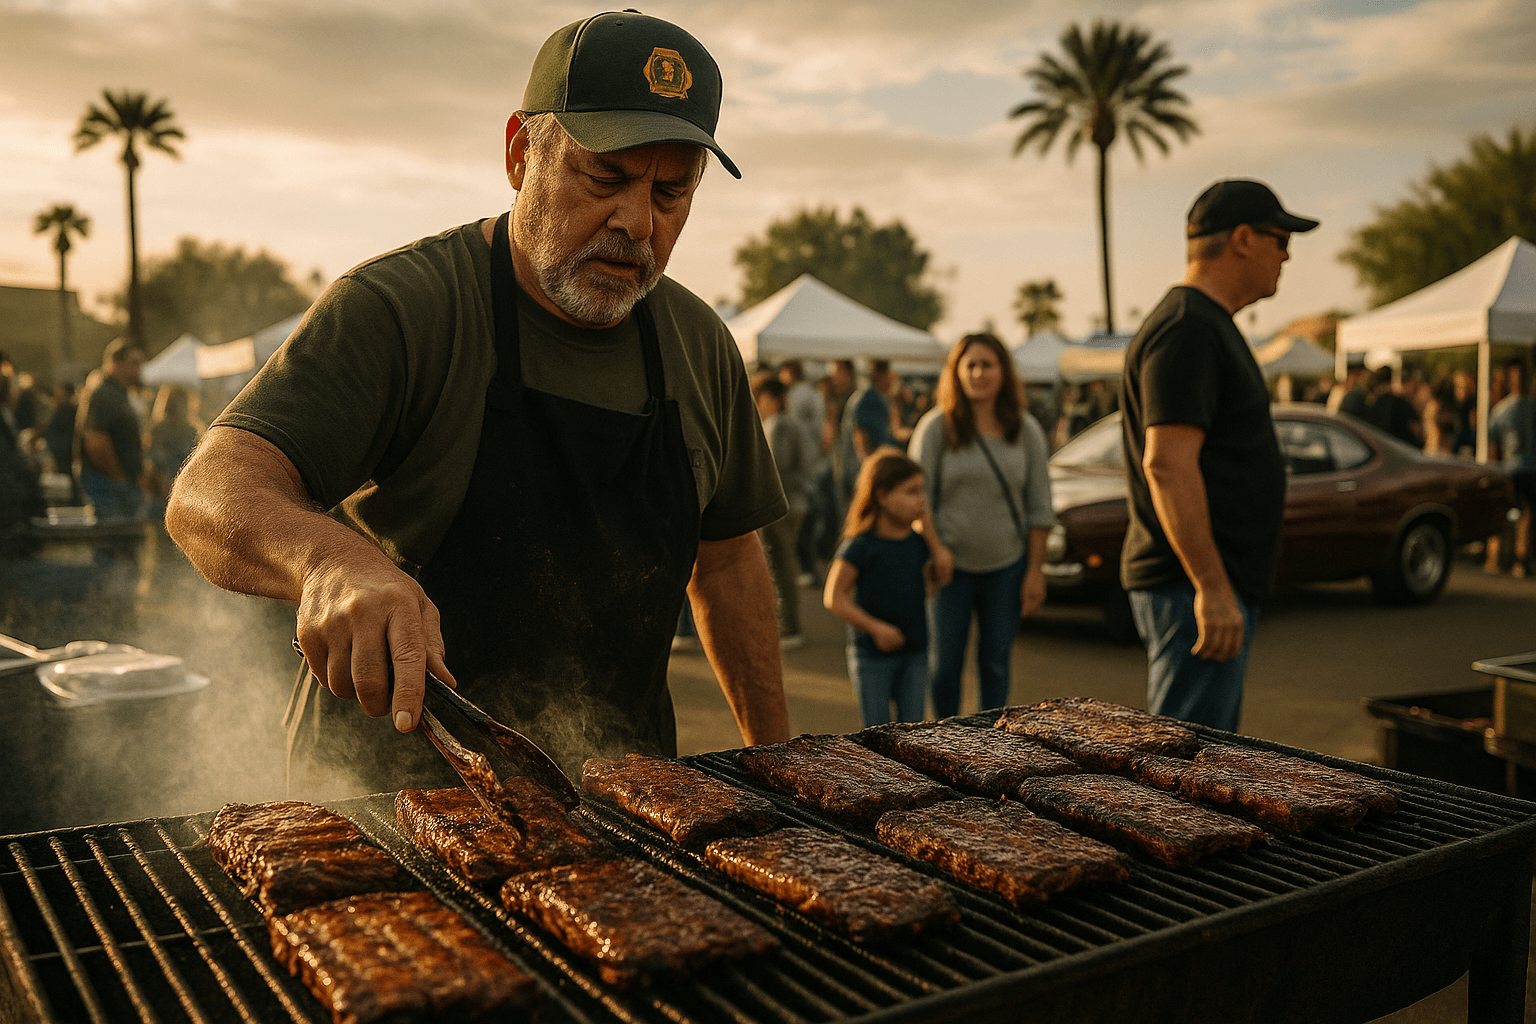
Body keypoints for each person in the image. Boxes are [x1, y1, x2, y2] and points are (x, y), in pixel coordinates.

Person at [166, 11, 790, 783]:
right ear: (521, 152)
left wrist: (776, 765)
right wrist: (327, 559)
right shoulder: (400, 308)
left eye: (671, 192)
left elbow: (726, 566)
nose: (636, 222)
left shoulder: (699, 345)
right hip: (387, 797)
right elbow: (207, 491)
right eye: (606, 178)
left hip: (624, 798)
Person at [1120, 179, 1317, 731]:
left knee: (1202, 761)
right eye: (1281, 239)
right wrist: (1211, 587)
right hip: (1191, 588)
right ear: (1244, 238)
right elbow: (1167, 463)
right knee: (1184, 774)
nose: (1286, 255)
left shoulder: (1205, 325)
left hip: (1204, 585)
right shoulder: (1187, 329)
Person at [911, 333, 1054, 717]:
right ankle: (946, 746)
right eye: (969, 365)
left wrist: (1035, 571)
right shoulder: (937, 428)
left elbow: (1040, 506)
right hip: (948, 568)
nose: (978, 373)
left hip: (1007, 566)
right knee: (944, 668)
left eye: (987, 364)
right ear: (955, 372)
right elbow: (918, 499)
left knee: (995, 665)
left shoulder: (1025, 430)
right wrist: (937, 550)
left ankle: (992, 754)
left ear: (1003, 372)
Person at [823, 449, 934, 726]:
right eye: (911, 491)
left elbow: (935, 581)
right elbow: (834, 597)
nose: (921, 499)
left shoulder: (919, 543)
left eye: (922, 491)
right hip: (871, 657)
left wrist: (935, 541)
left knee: (913, 730)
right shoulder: (861, 546)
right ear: (882, 496)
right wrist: (876, 628)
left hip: (914, 653)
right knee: (878, 731)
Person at [752, 374, 808, 648]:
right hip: (790, 503)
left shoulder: (779, 425)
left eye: (759, 399)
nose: (756, 404)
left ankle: (789, 627)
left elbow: (774, 467)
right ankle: (787, 625)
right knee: (783, 565)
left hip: (782, 505)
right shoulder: (784, 424)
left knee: (782, 567)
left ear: (773, 400)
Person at [77, 338, 149, 521]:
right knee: (113, 540)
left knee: (121, 542)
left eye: (140, 363)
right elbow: (96, 443)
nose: (138, 369)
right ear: (114, 364)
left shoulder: (119, 393)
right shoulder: (104, 393)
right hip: (106, 483)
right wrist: (119, 477)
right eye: (133, 363)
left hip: (115, 482)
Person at [1486, 358, 1536, 577]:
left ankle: (1496, 559)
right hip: (1529, 469)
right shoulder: (1530, 406)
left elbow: (1493, 448)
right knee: (1527, 515)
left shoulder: (1500, 410)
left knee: (1506, 513)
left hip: (1509, 468)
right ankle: (1520, 560)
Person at [780, 359, 827, 586]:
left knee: (803, 524)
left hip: (801, 467)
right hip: (810, 462)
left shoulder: (798, 397)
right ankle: (808, 569)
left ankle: (808, 570)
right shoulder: (811, 394)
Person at [144, 385, 204, 524]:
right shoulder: (160, 430)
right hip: (172, 497)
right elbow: (153, 465)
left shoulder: (191, 430)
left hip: (176, 497)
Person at [1365, 366, 1423, 448]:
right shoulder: (1401, 403)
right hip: (1402, 450)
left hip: (1379, 449)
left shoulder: (1371, 404)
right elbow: (1417, 430)